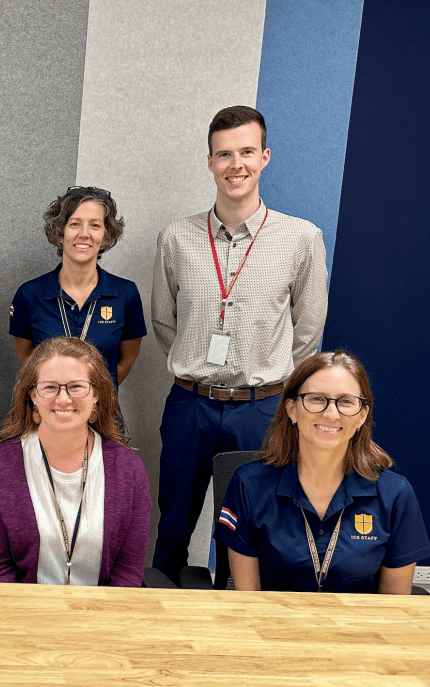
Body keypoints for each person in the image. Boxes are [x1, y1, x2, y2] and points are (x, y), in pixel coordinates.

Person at [150, 105, 329, 583]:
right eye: (224, 154)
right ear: (210, 161)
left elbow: (308, 331)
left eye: (247, 152)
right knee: (172, 525)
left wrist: (268, 374)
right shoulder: (176, 238)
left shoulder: (301, 238)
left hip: (260, 409)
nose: (236, 165)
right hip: (190, 404)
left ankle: (233, 616)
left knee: (244, 533)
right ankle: (160, 610)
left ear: (265, 157)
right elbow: (163, 321)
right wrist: (195, 362)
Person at [214, 351, 430, 594]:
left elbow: (394, 605)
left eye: (346, 401)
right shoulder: (248, 486)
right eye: (317, 399)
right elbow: (248, 597)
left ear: (362, 416)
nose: (331, 414)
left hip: (359, 619)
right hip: (274, 618)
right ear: (292, 409)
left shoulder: (395, 494)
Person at [0, 336, 151, 586]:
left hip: (103, 607)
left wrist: (95, 610)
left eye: (76, 386)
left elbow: (128, 573)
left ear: (96, 394)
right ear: (33, 395)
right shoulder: (0, 465)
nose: (63, 399)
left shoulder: (128, 469)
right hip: (18, 606)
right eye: (50, 387)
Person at [10, 186, 146, 384]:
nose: (84, 234)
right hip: (47, 403)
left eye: (95, 225)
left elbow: (127, 360)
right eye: (74, 224)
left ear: (106, 237)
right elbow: (26, 362)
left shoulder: (126, 294)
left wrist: (95, 393)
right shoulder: (29, 294)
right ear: (60, 233)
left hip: (102, 404)